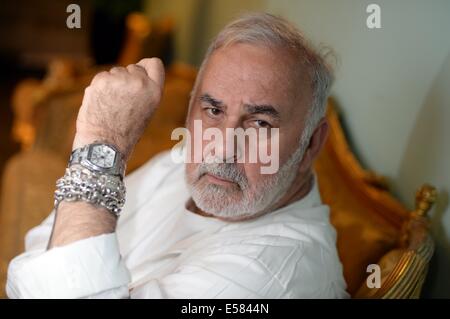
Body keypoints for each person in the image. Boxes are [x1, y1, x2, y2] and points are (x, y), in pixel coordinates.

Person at [6, 13, 348, 298]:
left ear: (311, 144)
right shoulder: (183, 162)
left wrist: (102, 144)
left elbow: (48, 267)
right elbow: (36, 251)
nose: (222, 148)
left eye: (260, 122)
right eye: (213, 109)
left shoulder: (277, 274)